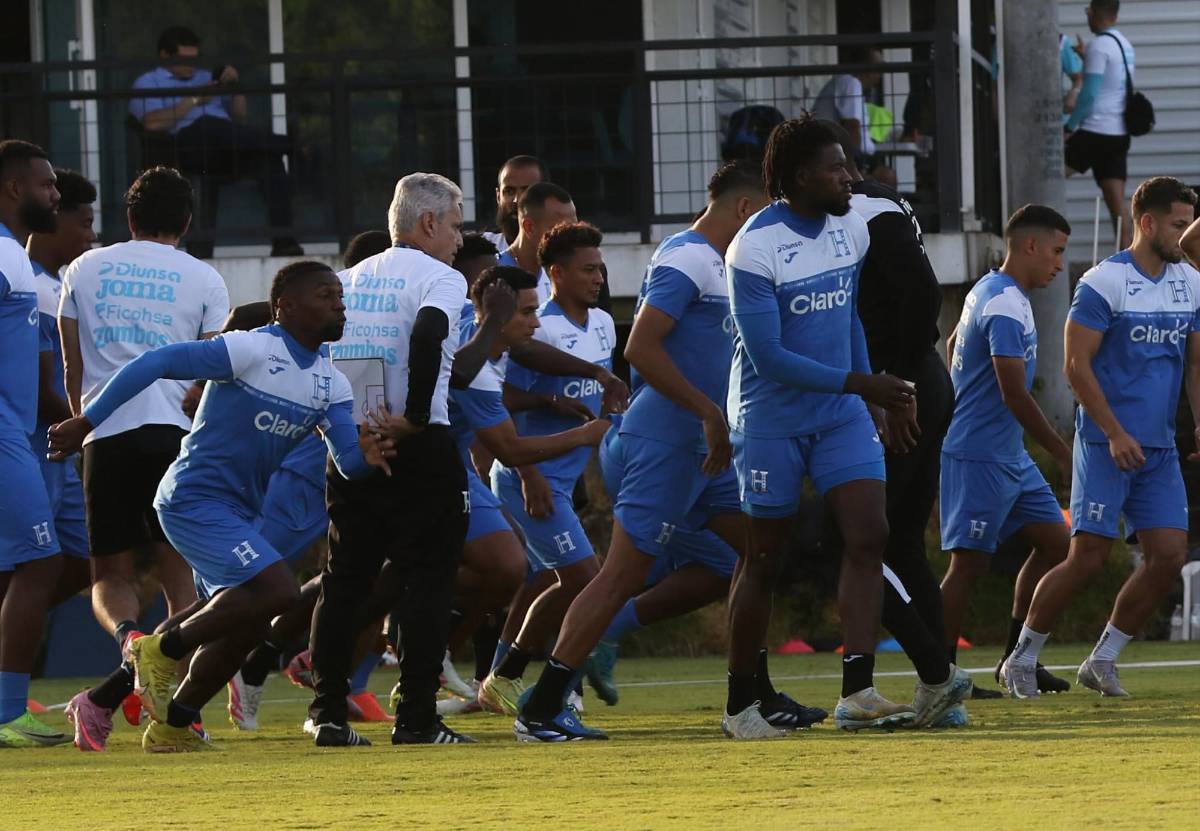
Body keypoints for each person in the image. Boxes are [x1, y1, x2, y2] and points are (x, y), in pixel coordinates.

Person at [512, 160, 829, 742]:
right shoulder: (688, 257)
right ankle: (541, 705)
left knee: (758, 555)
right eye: (767, 216)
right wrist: (708, 413)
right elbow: (642, 347)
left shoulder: (725, 261)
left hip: (706, 448)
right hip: (667, 441)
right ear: (743, 210)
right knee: (618, 577)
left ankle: (752, 696)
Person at [53, 261, 392, 753]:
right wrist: (87, 422)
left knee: (244, 619)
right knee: (277, 590)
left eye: (340, 296)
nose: (339, 304)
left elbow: (345, 461)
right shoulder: (251, 347)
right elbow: (155, 363)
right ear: (286, 306)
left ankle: (166, 721)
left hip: (240, 512)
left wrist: (368, 457)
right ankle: (159, 652)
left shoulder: (331, 383)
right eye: (325, 295)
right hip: (192, 498)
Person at [722, 115, 968, 731]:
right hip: (771, 421)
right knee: (764, 559)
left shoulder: (848, 230)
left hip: (839, 415)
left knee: (869, 536)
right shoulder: (753, 245)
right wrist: (864, 384)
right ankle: (740, 703)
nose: (852, 178)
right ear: (801, 176)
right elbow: (768, 355)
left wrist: (871, 399)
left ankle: (857, 693)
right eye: (838, 168)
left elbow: (850, 322)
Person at [1002, 177, 1200, 698]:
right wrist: (1113, 433)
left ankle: (1103, 659)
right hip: (1104, 443)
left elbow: (1196, 361)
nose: (1186, 236)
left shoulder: (1190, 281)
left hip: (1158, 448)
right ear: (1148, 222)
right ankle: (1020, 660)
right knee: (1087, 557)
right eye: (1179, 225)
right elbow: (1074, 365)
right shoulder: (1102, 281)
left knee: (1169, 558)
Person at [56, 165, 227, 732]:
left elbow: (70, 363)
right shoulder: (205, 278)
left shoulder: (84, 266)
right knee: (182, 573)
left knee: (110, 572)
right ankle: (179, 713)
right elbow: (208, 378)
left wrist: (78, 422)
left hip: (102, 432)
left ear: (127, 218)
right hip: (176, 436)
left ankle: (131, 642)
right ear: (186, 220)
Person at [308, 172, 471, 747]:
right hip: (417, 443)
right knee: (427, 581)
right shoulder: (442, 278)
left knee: (343, 580)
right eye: (455, 223)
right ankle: (418, 719)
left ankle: (327, 714)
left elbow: (320, 351)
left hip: (354, 444)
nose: (459, 236)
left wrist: (351, 427)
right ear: (429, 223)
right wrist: (419, 417)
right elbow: (428, 335)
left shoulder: (345, 280)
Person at [480, 223, 616, 713]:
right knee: (585, 580)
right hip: (531, 480)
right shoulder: (537, 325)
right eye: (587, 269)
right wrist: (529, 475)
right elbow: (500, 400)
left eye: (600, 268)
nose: (598, 277)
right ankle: (536, 683)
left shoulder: (602, 323)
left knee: (556, 582)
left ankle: (514, 681)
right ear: (555, 273)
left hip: (564, 477)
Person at [940, 205, 1074, 695]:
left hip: (1007, 454)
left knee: (1058, 544)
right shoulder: (1003, 302)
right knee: (968, 565)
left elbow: (954, 340)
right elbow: (1013, 391)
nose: (1060, 264)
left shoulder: (987, 289)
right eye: (1057, 252)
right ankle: (942, 677)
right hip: (978, 454)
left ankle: (1016, 660)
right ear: (1030, 246)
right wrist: (1062, 451)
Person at [0, 140, 68, 748]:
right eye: (47, 184)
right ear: (15, 188)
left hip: (17, 432)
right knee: (42, 562)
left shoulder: (18, 261)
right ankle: (6, 713)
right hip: (1, 436)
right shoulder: (0, 254)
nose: (56, 195)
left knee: (10, 571)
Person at [130, 26, 301, 257]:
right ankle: (290, 146)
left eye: (194, 59)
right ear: (165, 56)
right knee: (208, 125)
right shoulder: (149, 82)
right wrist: (196, 98)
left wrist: (234, 85)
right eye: (184, 59)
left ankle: (285, 242)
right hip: (185, 148)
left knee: (268, 160)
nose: (191, 65)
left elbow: (239, 117)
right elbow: (152, 122)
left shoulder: (205, 76)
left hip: (226, 146)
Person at [26, 169, 97, 607]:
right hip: (33, 449)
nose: (91, 237)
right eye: (85, 224)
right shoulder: (29, 285)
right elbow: (33, 386)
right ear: (55, 219)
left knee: (90, 557)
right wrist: (88, 426)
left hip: (60, 451)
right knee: (30, 564)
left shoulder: (61, 286)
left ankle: (16, 620)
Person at [1064, 0, 1135, 249]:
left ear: (1092, 14)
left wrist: (1070, 127)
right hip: (1118, 134)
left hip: (1094, 131)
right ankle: (1129, 256)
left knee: (1049, 177)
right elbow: (1111, 84)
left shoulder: (1099, 46)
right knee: (1117, 204)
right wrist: (1087, 58)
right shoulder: (1124, 45)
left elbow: (1090, 93)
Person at [812, 46, 895, 188]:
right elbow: (852, 128)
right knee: (886, 178)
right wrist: (856, 167)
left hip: (841, 155)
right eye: (878, 68)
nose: (880, 75)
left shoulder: (849, 83)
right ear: (866, 69)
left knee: (887, 176)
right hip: (835, 157)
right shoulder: (850, 83)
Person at [498, 182, 576, 304]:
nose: (571, 238)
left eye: (574, 229)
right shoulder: (494, 276)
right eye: (561, 230)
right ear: (529, 227)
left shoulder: (563, 277)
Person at [485, 155, 548, 251]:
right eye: (509, 191)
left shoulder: (564, 253)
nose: (517, 200)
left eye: (527, 191)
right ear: (498, 197)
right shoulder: (480, 251)